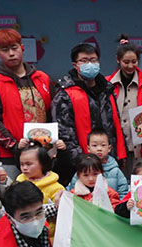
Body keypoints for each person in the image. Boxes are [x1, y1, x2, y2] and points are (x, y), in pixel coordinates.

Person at [52, 43, 126, 185]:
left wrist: (118, 155)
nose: (90, 64)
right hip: (80, 166)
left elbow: (114, 124)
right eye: (84, 61)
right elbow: (64, 133)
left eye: (93, 60)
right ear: (75, 65)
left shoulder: (107, 89)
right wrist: (82, 161)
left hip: (108, 161)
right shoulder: (65, 94)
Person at [0, 28, 52, 179]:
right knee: (12, 192)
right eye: (5, 50)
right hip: (10, 156)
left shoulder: (42, 78)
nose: (11, 53)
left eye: (14, 48)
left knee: (46, 191)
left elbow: (52, 113)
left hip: (42, 154)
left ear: (22, 48)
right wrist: (14, 146)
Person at [106, 35, 142, 177]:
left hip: (140, 143)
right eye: (126, 62)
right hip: (116, 142)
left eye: (134, 61)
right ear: (118, 60)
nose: (130, 66)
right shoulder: (108, 84)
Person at [15, 142, 64, 239]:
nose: (24, 168)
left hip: (48, 236)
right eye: (22, 164)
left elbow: (62, 214)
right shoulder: (18, 184)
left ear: (43, 163)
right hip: (23, 234)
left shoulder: (56, 188)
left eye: (29, 164)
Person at [66, 131, 129, 198]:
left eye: (103, 145)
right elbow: (72, 194)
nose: (99, 149)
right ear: (88, 148)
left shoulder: (115, 171)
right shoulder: (82, 169)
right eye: (94, 145)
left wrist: (117, 204)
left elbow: (123, 194)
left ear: (109, 148)